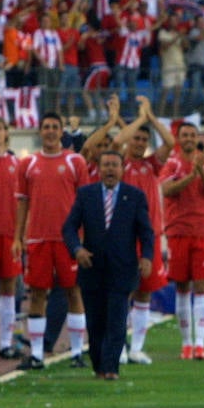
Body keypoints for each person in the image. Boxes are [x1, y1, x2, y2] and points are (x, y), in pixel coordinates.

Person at [61, 149, 153, 381]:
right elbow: (69, 228)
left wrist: (147, 257)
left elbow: (146, 232)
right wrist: (77, 249)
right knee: (95, 321)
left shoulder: (135, 196)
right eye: (106, 165)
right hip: (92, 267)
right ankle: (99, 366)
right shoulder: (86, 195)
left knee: (117, 318)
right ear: (99, 169)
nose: (110, 169)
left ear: (122, 169)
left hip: (122, 268)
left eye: (115, 165)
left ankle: (111, 368)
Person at [14, 113, 92, 370]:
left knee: (73, 292)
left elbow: (85, 204)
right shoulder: (28, 164)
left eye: (54, 127)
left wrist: (85, 239)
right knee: (37, 294)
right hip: (37, 238)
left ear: (61, 132)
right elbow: (22, 202)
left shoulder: (75, 162)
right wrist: (18, 237)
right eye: (45, 127)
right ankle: (37, 354)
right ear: (40, 131)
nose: (49, 131)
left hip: (68, 240)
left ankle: (77, 353)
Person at [114, 96, 174, 363]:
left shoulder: (152, 164)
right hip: (123, 236)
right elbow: (116, 142)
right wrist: (139, 119)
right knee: (121, 291)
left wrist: (151, 118)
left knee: (144, 291)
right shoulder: (118, 164)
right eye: (135, 138)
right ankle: (120, 346)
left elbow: (170, 143)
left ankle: (137, 347)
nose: (139, 143)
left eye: (143, 139)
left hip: (150, 236)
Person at [160, 121, 204, 360]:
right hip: (178, 231)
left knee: (201, 286)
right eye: (184, 135)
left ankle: (200, 344)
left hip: (203, 231)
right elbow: (167, 190)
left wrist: (201, 171)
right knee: (181, 287)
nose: (188, 139)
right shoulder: (172, 163)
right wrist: (190, 175)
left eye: (192, 135)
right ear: (178, 138)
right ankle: (186, 344)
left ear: (197, 137)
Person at [0, 116, 22, 360]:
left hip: (10, 236)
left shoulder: (16, 164)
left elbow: (23, 202)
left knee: (8, 288)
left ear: (6, 133)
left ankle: (4, 343)